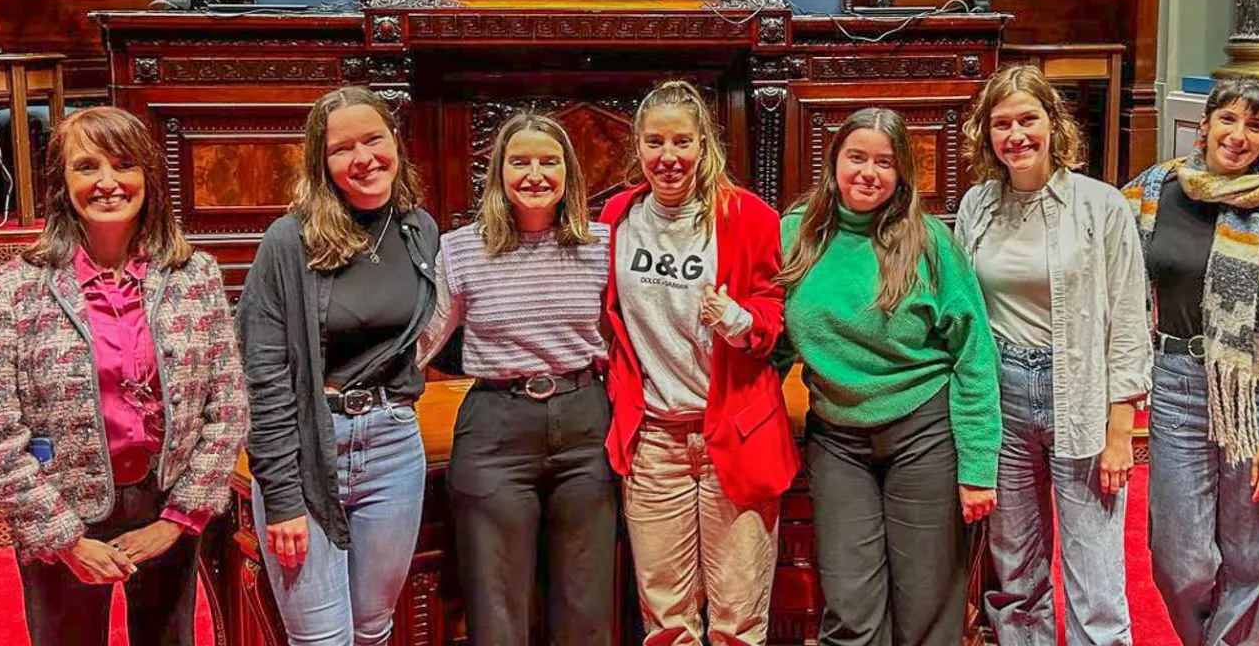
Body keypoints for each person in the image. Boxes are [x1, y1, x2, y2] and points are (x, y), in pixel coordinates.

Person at [0, 106, 249, 646]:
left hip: (166, 504)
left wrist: (179, 519)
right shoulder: (7, 291)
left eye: (123, 164)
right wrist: (65, 540)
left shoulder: (196, 276)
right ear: (61, 182)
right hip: (61, 508)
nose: (108, 182)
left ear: (148, 175)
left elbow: (228, 407)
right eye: (86, 166)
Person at [776, 107, 1002, 646]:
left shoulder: (929, 243)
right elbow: (773, 339)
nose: (868, 173)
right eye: (856, 157)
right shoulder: (795, 234)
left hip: (923, 430)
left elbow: (973, 353)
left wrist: (978, 465)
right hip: (837, 436)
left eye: (884, 162)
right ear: (834, 162)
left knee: (926, 605)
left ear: (902, 174)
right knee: (850, 605)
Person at [954, 65, 1148, 646]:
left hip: (1079, 391)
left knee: (1095, 576)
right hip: (1003, 394)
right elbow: (965, 314)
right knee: (1015, 570)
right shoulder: (976, 207)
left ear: (1053, 123)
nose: (1016, 135)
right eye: (1002, 123)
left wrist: (1123, 429)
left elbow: (1129, 318)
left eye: (1028, 119)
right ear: (986, 134)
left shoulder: (1101, 205)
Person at [239, 86, 441, 646]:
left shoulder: (418, 228)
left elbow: (431, 331)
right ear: (321, 162)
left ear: (395, 142)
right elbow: (264, 377)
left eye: (374, 139)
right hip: (308, 449)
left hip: (393, 444)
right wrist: (279, 495)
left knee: (374, 628)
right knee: (322, 639)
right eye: (342, 148)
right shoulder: (289, 241)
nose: (364, 158)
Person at [602, 80, 798, 646]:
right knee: (667, 622)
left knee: (738, 620)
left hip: (733, 438)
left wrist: (740, 321)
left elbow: (773, 313)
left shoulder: (750, 217)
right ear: (637, 148)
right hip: (654, 440)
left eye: (682, 142)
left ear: (705, 144)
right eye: (655, 143)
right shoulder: (616, 217)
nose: (669, 158)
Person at [417, 113, 615, 646]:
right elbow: (428, 337)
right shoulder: (461, 248)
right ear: (498, 173)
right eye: (519, 161)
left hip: (585, 422)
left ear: (569, 172)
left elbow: (628, 330)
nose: (535, 174)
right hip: (495, 429)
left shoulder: (602, 244)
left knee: (586, 602)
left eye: (549, 161)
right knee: (497, 604)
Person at [1125, 76, 1259, 645]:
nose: (1239, 135)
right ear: (1202, 124)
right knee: (1180, 560)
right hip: (1175, 382)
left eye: (1255, 125)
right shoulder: (1154, 192)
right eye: (1228, 119)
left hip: (1251, 393)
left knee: (1247, 557)